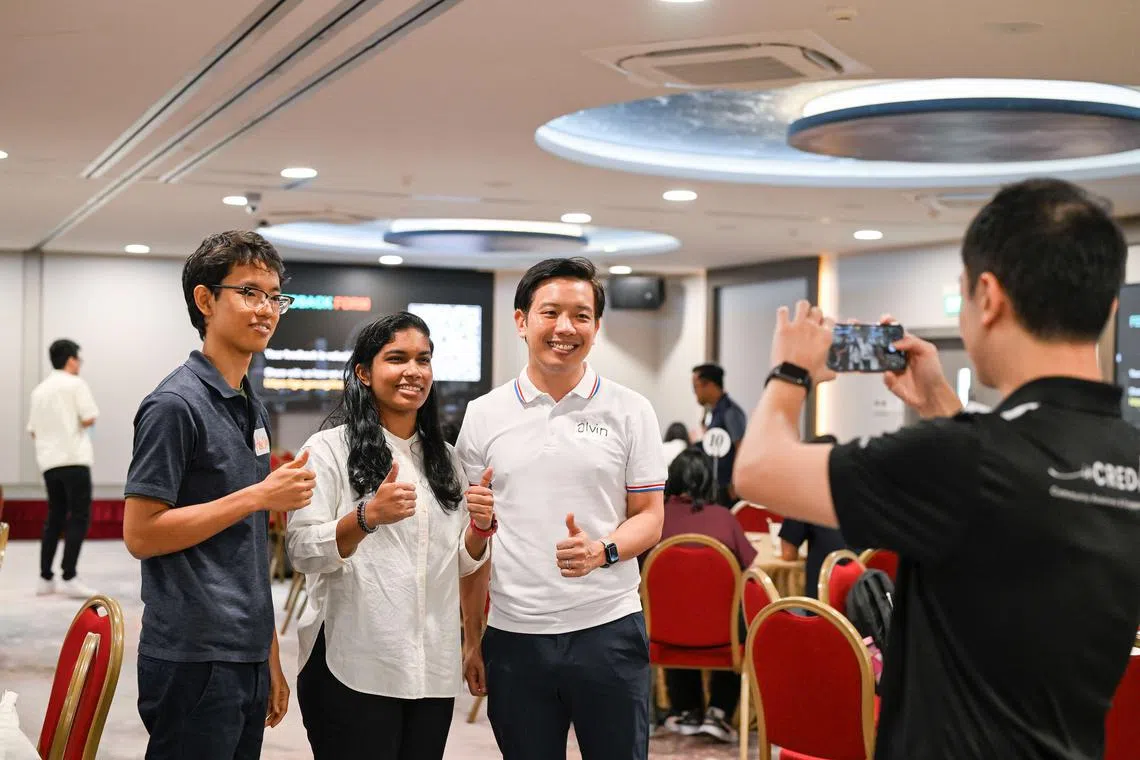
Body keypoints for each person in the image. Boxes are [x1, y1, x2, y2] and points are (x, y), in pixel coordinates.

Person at [733, 178, 1140, 760]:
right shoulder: (1126, 453)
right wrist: (941, 407)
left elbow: (758, 471)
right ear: (1109, 306)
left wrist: (791, 373)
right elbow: (1014, 506)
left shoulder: (961, 460)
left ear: (989, 296)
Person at [457, 257, 667, 760]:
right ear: (521, 320)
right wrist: (472, 637)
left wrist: (603, 550)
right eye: (550, 313)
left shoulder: (630, 409)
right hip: (514, 634)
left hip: (608, 628)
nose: (565, 328)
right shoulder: (483, 415)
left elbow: (651, 516)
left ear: (597, 326)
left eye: (581, 315)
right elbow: (472, 541)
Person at [123, 231, 315, 759]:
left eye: (275, 296)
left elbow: (245, 548)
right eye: (250, 292)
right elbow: (140, 534)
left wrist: (268, 649)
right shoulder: (173, 405)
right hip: (192, 655)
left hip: (244, 649)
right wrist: (257, 496)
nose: (267, 309)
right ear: (205, 300)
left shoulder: (248, 402)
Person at [286, 312, 493, 760]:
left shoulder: (448, 461)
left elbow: (456, 562)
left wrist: (478, 531)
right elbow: (301, 551)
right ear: (363, 372)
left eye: (423, 359)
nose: (413, 372)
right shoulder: (326, 451)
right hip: (352, 663)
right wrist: (364, 517)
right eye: (396, 358)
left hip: (430, 669)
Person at [654, 448, 756, 743]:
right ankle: (720, 711)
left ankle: (685, 708)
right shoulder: (724, 518)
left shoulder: (655, 520)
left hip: (663, 633)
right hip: (721, 636)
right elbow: (750, 566)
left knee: (673, 606)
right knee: (737, 614)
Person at [26, 338, 99, 598]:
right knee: (79, 516)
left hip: (49, 463)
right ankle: (69, 575)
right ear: (71, 360)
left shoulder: (39, 391)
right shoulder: (76, 384)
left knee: (54, 517)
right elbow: (89, 417)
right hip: (75, 459)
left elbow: (33, 431)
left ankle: (45, 578)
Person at [778, 434, 848, 599]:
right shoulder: (861, 493)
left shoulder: (807, 495)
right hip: (863, 601)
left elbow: (788, 553)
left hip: (824, 602)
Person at [691, 364, 747, 505]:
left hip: (727, 489)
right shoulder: (714, 412)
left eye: (695, 387)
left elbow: (741, 446)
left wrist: (735, 482)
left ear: (708, 385)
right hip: (715, 486)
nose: (695, 392)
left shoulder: (730, 412)